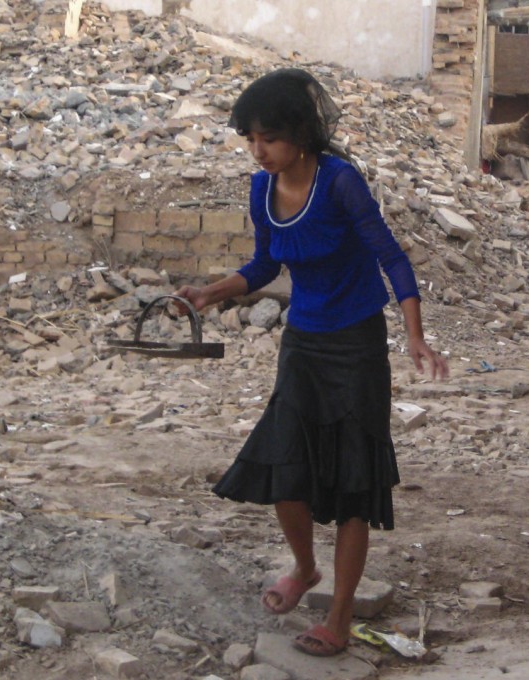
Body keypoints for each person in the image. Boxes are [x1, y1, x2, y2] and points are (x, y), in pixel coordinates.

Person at [173, 68, 449, 657]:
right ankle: (304, 569)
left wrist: (415, 336)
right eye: (250, 138)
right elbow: (265, 266)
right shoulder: (260, 189)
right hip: (303, 343)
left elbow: (392, 259)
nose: (258, 150)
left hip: (356, 347)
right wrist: (209, 293)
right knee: (283, 467)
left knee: (355, 486)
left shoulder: (340, 182)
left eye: (268, 138)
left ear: (299, 133)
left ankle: (340, 619)